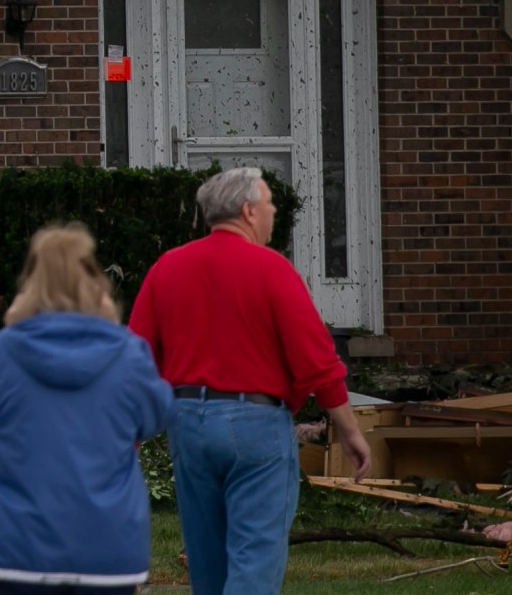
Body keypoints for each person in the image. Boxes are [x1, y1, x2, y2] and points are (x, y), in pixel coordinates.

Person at [129, 168, 373, 595]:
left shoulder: (167, 268)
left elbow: (136, 359)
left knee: (206, 559)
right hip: (255, 423)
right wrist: (350, 431)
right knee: (254, 555)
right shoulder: (271, 269)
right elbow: (318, 359)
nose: (273, 212)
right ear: (247, 211)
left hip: (187, 420)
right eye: (268, 205)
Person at [0, 224, 173, 595]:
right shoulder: (128, 354)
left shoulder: (2, 353)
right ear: (95, 282)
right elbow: (156, 416)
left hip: (15, 549)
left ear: (30, 283)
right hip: (107, 548)